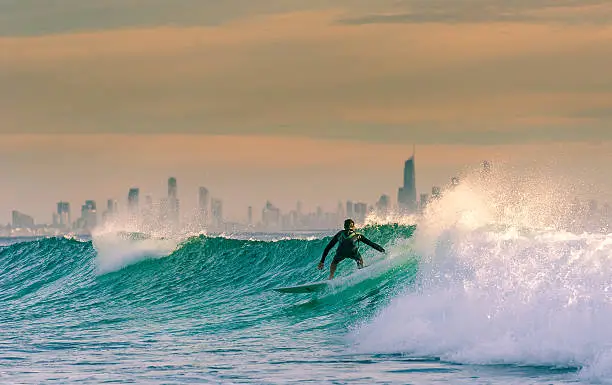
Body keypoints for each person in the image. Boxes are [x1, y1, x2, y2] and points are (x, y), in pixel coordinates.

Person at [317, 219, 386, 280]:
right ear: (353, 227)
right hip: (353, 252)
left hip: (341, 253)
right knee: (359, 260)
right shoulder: (357, 234)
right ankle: (360, 270)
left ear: (344, 227)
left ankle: (331, 277)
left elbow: (328, 247)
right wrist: (382, 251)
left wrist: (322, 261)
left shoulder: (340, 234)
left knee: (334, 262)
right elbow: (371, 244)